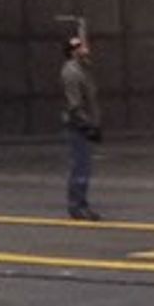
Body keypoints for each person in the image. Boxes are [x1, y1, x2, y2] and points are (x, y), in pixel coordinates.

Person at [59, 31, 103, 220]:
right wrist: (88, 126)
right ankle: (77, 205)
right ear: (72, 52)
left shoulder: (83, 69)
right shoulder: (72, 72)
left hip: (83, 123)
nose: (84, 49)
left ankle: (80, 203)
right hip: (78, 126)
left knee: (83, 167)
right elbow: (74, 104)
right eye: (79, 47)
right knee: (80, 167)